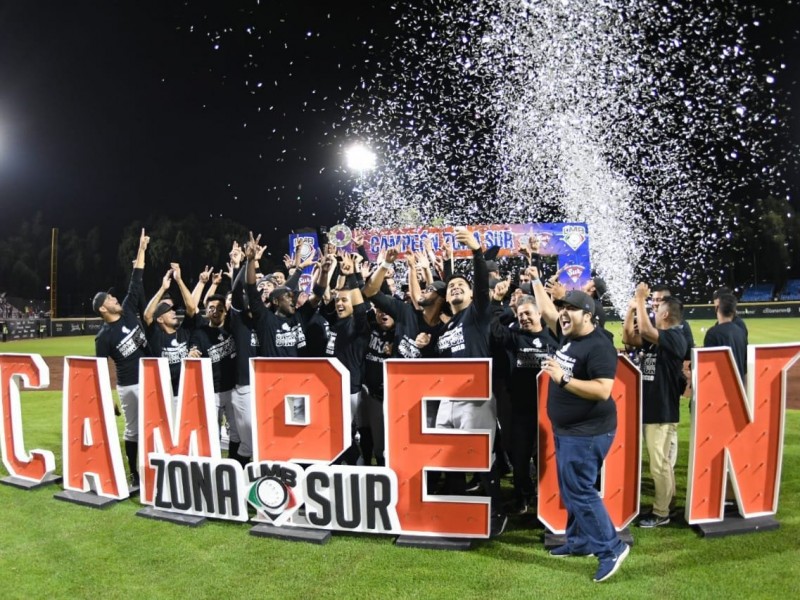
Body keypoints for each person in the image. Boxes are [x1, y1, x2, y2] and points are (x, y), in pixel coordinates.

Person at [532, 276, 630, 583]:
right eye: (563, 309)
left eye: (571, 310)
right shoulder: (570, 335)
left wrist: (562, 379)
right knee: (570, 488)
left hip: (588, 432)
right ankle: (579, 542)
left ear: (588, 315)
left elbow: (603, 390)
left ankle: (611, 548)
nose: (563, 314)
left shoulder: (599, 346)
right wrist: (534, 276)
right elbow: (548, 313)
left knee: (581, 490)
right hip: (569, 429)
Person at [435, 227, 507, 537]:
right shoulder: (447, 325)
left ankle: (495, 513)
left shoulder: (477, 315)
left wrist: (477, 252)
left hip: (475, 399)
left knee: (479, 458)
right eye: (451, 286)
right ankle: (455, 510)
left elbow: (480, 285)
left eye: (460, 285)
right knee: (447, 457)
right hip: (447, 400)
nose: (455, 288)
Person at [623, 283, 687, 528]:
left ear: (667, 315)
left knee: (659, 464)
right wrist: (631, 310)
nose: (654, 309)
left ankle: (661, 514)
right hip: (652, 410)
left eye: (658, 307)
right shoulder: (658, 339)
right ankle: (665, 505)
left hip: (661, 411)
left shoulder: (674, 336)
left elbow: (648, 331)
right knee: (661, 463)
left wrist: (640, 298)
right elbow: (629, 337)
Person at [490, 282, 557, 515]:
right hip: (520, 409)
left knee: (547, 457)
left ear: (540, 313)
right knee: (519, 458)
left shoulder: (555, 338)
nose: (524, 318)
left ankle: (547, 497)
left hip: (550, 411)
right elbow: (491, 325)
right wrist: (509, 308)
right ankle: (522, 497)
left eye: (528, 313)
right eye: (520, 315)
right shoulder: (514, 337)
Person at [94, 228, 150, 489]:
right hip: (129, 386)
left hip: (152, 378)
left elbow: (135, 280)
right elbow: (100, 370)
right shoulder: (103, 337)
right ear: (104, 308)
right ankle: (134, 474)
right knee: (134, 430)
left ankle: (157, 467)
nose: (116, 298)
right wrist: (109, 399)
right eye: (111, 298)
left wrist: (141, 249)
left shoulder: (128, 310)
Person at [143, 263, 200, 404]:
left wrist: (179, 280)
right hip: (166, 396)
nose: (174, 312)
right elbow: (147, 316)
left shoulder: (184, 331)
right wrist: (163, 288)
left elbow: (192, 307)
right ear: (160, 318)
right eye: (168, 311)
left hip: (189, 392)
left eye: (173, 309)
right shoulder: (156, 336)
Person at [704, 292, 747, 378]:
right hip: (739, 385)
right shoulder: (740, 332)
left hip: (721, 384)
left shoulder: (712, 333)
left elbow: (707, 366)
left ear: (717, 309)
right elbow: (745, 363)